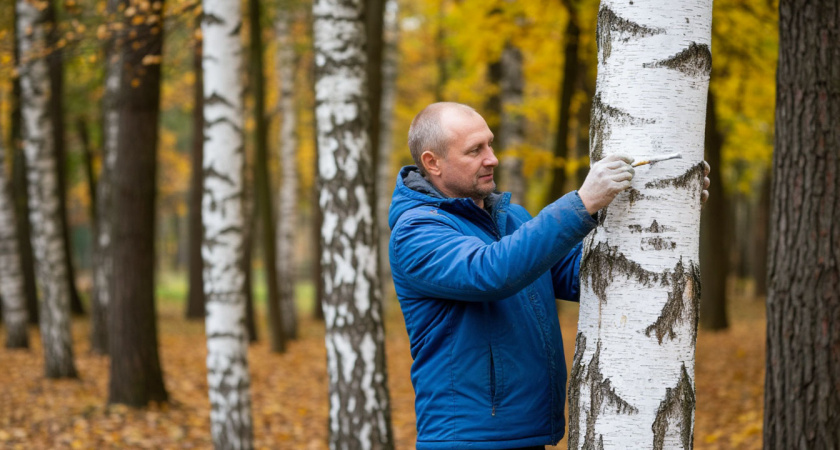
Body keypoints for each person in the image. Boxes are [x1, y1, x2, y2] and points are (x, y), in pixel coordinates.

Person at [387, 102, 710, 450]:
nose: (491, 158)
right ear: (432, 162)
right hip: (466, 439)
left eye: (490, 144)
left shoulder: (510, 218)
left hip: (525, 433)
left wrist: (666, 212)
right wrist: (581, 203)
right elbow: (491, 272)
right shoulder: (416, 231)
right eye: (474, 150)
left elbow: (583, 277)